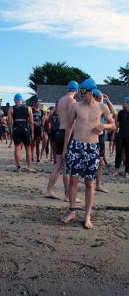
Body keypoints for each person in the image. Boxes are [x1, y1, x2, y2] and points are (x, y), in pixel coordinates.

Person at [62, 78, 115, 229]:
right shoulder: (76, 106)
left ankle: (87, 216)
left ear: (91, 92)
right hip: (76, 146)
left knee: (89, 182)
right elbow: (68, 127)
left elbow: (113, 125)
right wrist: (66, 147)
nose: (81, 94)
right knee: (73, 179)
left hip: (92, 148)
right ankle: (72, 211)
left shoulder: (102, 107)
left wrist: (103, 126)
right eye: (81, 91)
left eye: (84, 92)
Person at [45, 81, 79, 200]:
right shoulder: (72, 101)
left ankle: (49, 190)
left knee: (58, 164)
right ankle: (68, 195)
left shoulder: (60, 100)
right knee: (67, 167)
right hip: (67, 134)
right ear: (77, 90)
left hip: (59, 131)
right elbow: (71, 122)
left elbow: (60, 118)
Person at [92, 89, 116, 192]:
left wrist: (108, 100)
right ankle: (90, 183)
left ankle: (98, 185)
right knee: (91, 161)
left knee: (100, 162)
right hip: (91, 137)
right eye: (100, 97)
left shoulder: (103, 107)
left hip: (100, 136)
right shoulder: (92, 107)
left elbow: (114, 113)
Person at [8, 93, 34, 172]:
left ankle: (18, 167)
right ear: (21, 100)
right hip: (25, 129)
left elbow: (9, 122)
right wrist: (32, 132)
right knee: (28, 148)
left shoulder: (11, 108)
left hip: (16, 128)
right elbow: (31, 122)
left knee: (17, 147)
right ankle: (30, 167)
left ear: (15, 100)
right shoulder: (28, 108)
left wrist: (10, 131)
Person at [114, 96, 129, 178]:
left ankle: (127, 172)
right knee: (118, 153)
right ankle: (116, 170)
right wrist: (114, 134)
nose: (123, 103)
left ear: (128, 103)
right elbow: (117, 124)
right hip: (120, 135)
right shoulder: (121, 113)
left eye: (124, 102)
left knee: (128, 154)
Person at [31, 98, 43, 163]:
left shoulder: (41, 111)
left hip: (38, 128)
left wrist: (42, 129)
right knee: (32, 144)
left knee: (38, 144)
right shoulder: (32, 110)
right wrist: (34, 122)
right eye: (38, 102)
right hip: (33, 128)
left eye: (40, 102)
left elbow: (42, 120)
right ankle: (31, 157)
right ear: (35, 102)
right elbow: (29, 119)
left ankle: (38, 158)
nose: (39, 103)